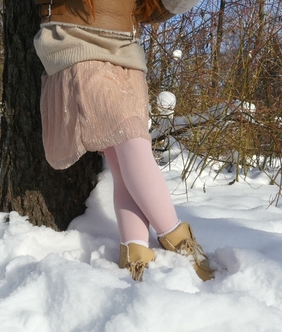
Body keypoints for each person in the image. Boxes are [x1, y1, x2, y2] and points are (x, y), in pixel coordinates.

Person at [33, 0, 214, 281]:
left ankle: (135, 253)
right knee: (133, 143)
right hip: (79, 43)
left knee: (122, 161)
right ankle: (178, 240)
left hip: (128, 55)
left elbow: (160, 6)